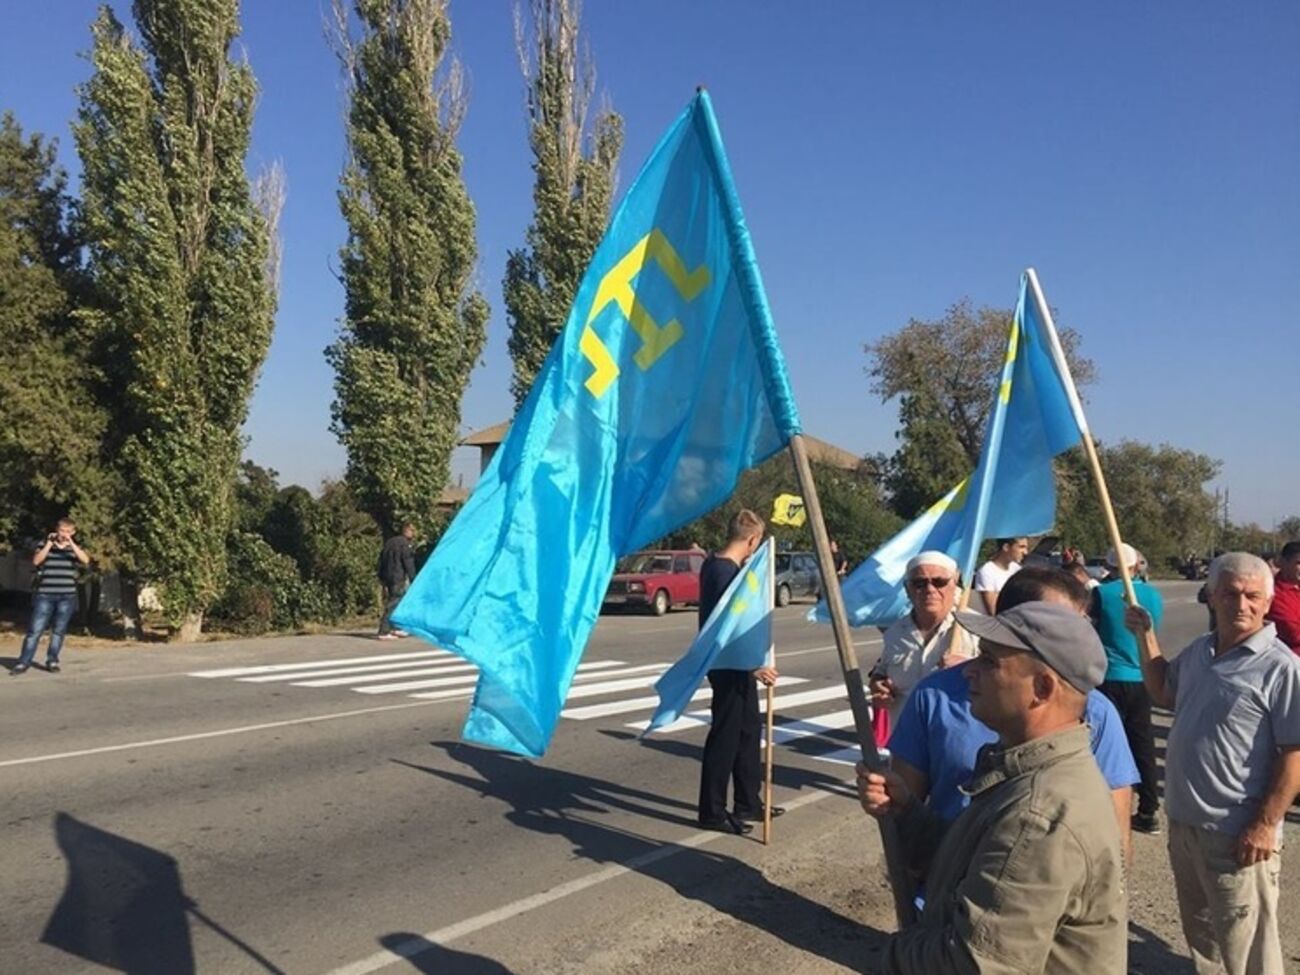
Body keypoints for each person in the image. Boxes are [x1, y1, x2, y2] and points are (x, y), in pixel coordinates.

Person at [859, 599, 1126, 972]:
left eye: (989, 661)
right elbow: (971, 866)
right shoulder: (1024, 772)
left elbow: (974, 964)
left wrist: (893, 954)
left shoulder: (1040, 812)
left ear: (1042, 688)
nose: (969, 672)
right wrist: (907, 812)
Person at [888, 566, 1139, 861]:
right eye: (1060, 626)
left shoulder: (1096, 712)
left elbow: (1116, 836)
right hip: (942, 891)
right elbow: (904, 812)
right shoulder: (932, 696)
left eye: (1083, 623)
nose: (1079, 638)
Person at [1125, 552, 1300, 975]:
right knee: (1203, 938)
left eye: (1252, 596)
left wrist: (1264, 823)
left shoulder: (1281, 667)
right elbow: (1165, 691)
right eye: (1230, 594)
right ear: (1212, 598)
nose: (1241, 605)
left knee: (1250, 949)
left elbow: (1295, 753)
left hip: (1237, 833)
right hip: (1185, 824)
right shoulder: (1201, 650)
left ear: (1267, 600)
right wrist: (1144, 636)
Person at [697, 509, 780, 834]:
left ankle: (748, 802)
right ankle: (712, 811)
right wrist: (756, 664)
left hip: (737, 664)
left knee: (748, 733)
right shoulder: (723, 572)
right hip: (728, 664)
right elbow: (728, 627)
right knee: (726, 739)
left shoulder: (719, 565)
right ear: (751, 539)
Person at [1091, 543, 1165, 835]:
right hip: (1141, 675)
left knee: (1104, 742)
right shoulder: (1153, 595)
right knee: (1143, 743)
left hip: (1109, 675)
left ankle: (1105, 805)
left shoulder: (1100, 594)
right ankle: (1149, 808)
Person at [867, 551, 976, 726]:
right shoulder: (895, 632)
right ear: (907, 589)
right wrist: (878, 683)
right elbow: (881, 671)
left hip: (958, 739)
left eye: (939, 582)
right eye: (919, 583)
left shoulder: (976, 629)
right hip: (906, 740)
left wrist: (970, 668)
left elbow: (1005, 682)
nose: (930, 589)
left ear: (954, 586)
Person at [12, 519, 90, 676]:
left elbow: (85, 560)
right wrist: (49, 543)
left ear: (73, 533)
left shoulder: (73, 549)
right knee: (35, 630)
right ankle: (23, 662)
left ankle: (52, 660)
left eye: (68, 532)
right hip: (45, 594)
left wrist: (72, 544)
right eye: (62, 531)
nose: (64, 534)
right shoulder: (44, 544)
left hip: (66, 595)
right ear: (57, 530)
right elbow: (36, 561)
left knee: (59, 631)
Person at [376, 522, 416, 640]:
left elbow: (381, 560)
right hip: (398, 577)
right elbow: (408, 563)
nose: (413, 534)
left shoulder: (390, 542)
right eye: (412, 531)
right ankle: (384, 631)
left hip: (388, 576)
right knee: (394, 602)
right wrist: (413, 579)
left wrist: (381, 576)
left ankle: (395, 628)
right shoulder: (404, 544)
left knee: (398, 602)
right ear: (407, 531)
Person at [972, 536, 1027, 614]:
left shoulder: (1016, 569)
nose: (1025, 552)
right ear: (1006, 547)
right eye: (1021, 547)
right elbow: (993, 610)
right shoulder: (987, 571)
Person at [1265, 540, 1300, 654]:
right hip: (1292, 662)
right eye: (1298, 563)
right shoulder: (1274, 594)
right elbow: (1294, 634)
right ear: (1283, 562)